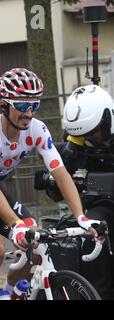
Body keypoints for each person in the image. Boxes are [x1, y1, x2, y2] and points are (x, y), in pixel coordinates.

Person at [0, 68, 101, 300]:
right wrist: (15, 223)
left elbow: (61, 173)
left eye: (34, 105)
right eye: (21, 105)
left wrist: (81, 216)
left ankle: (9, 294)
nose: (28, 113)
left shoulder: (37, 130)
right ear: (3, 104)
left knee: (36, 242)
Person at [60, 84, 114, 300]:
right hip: (99, 206)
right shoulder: (77, 140)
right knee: (92, 230)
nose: (94, 139)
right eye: (85, 136)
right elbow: (61, 173)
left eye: (95, 133)